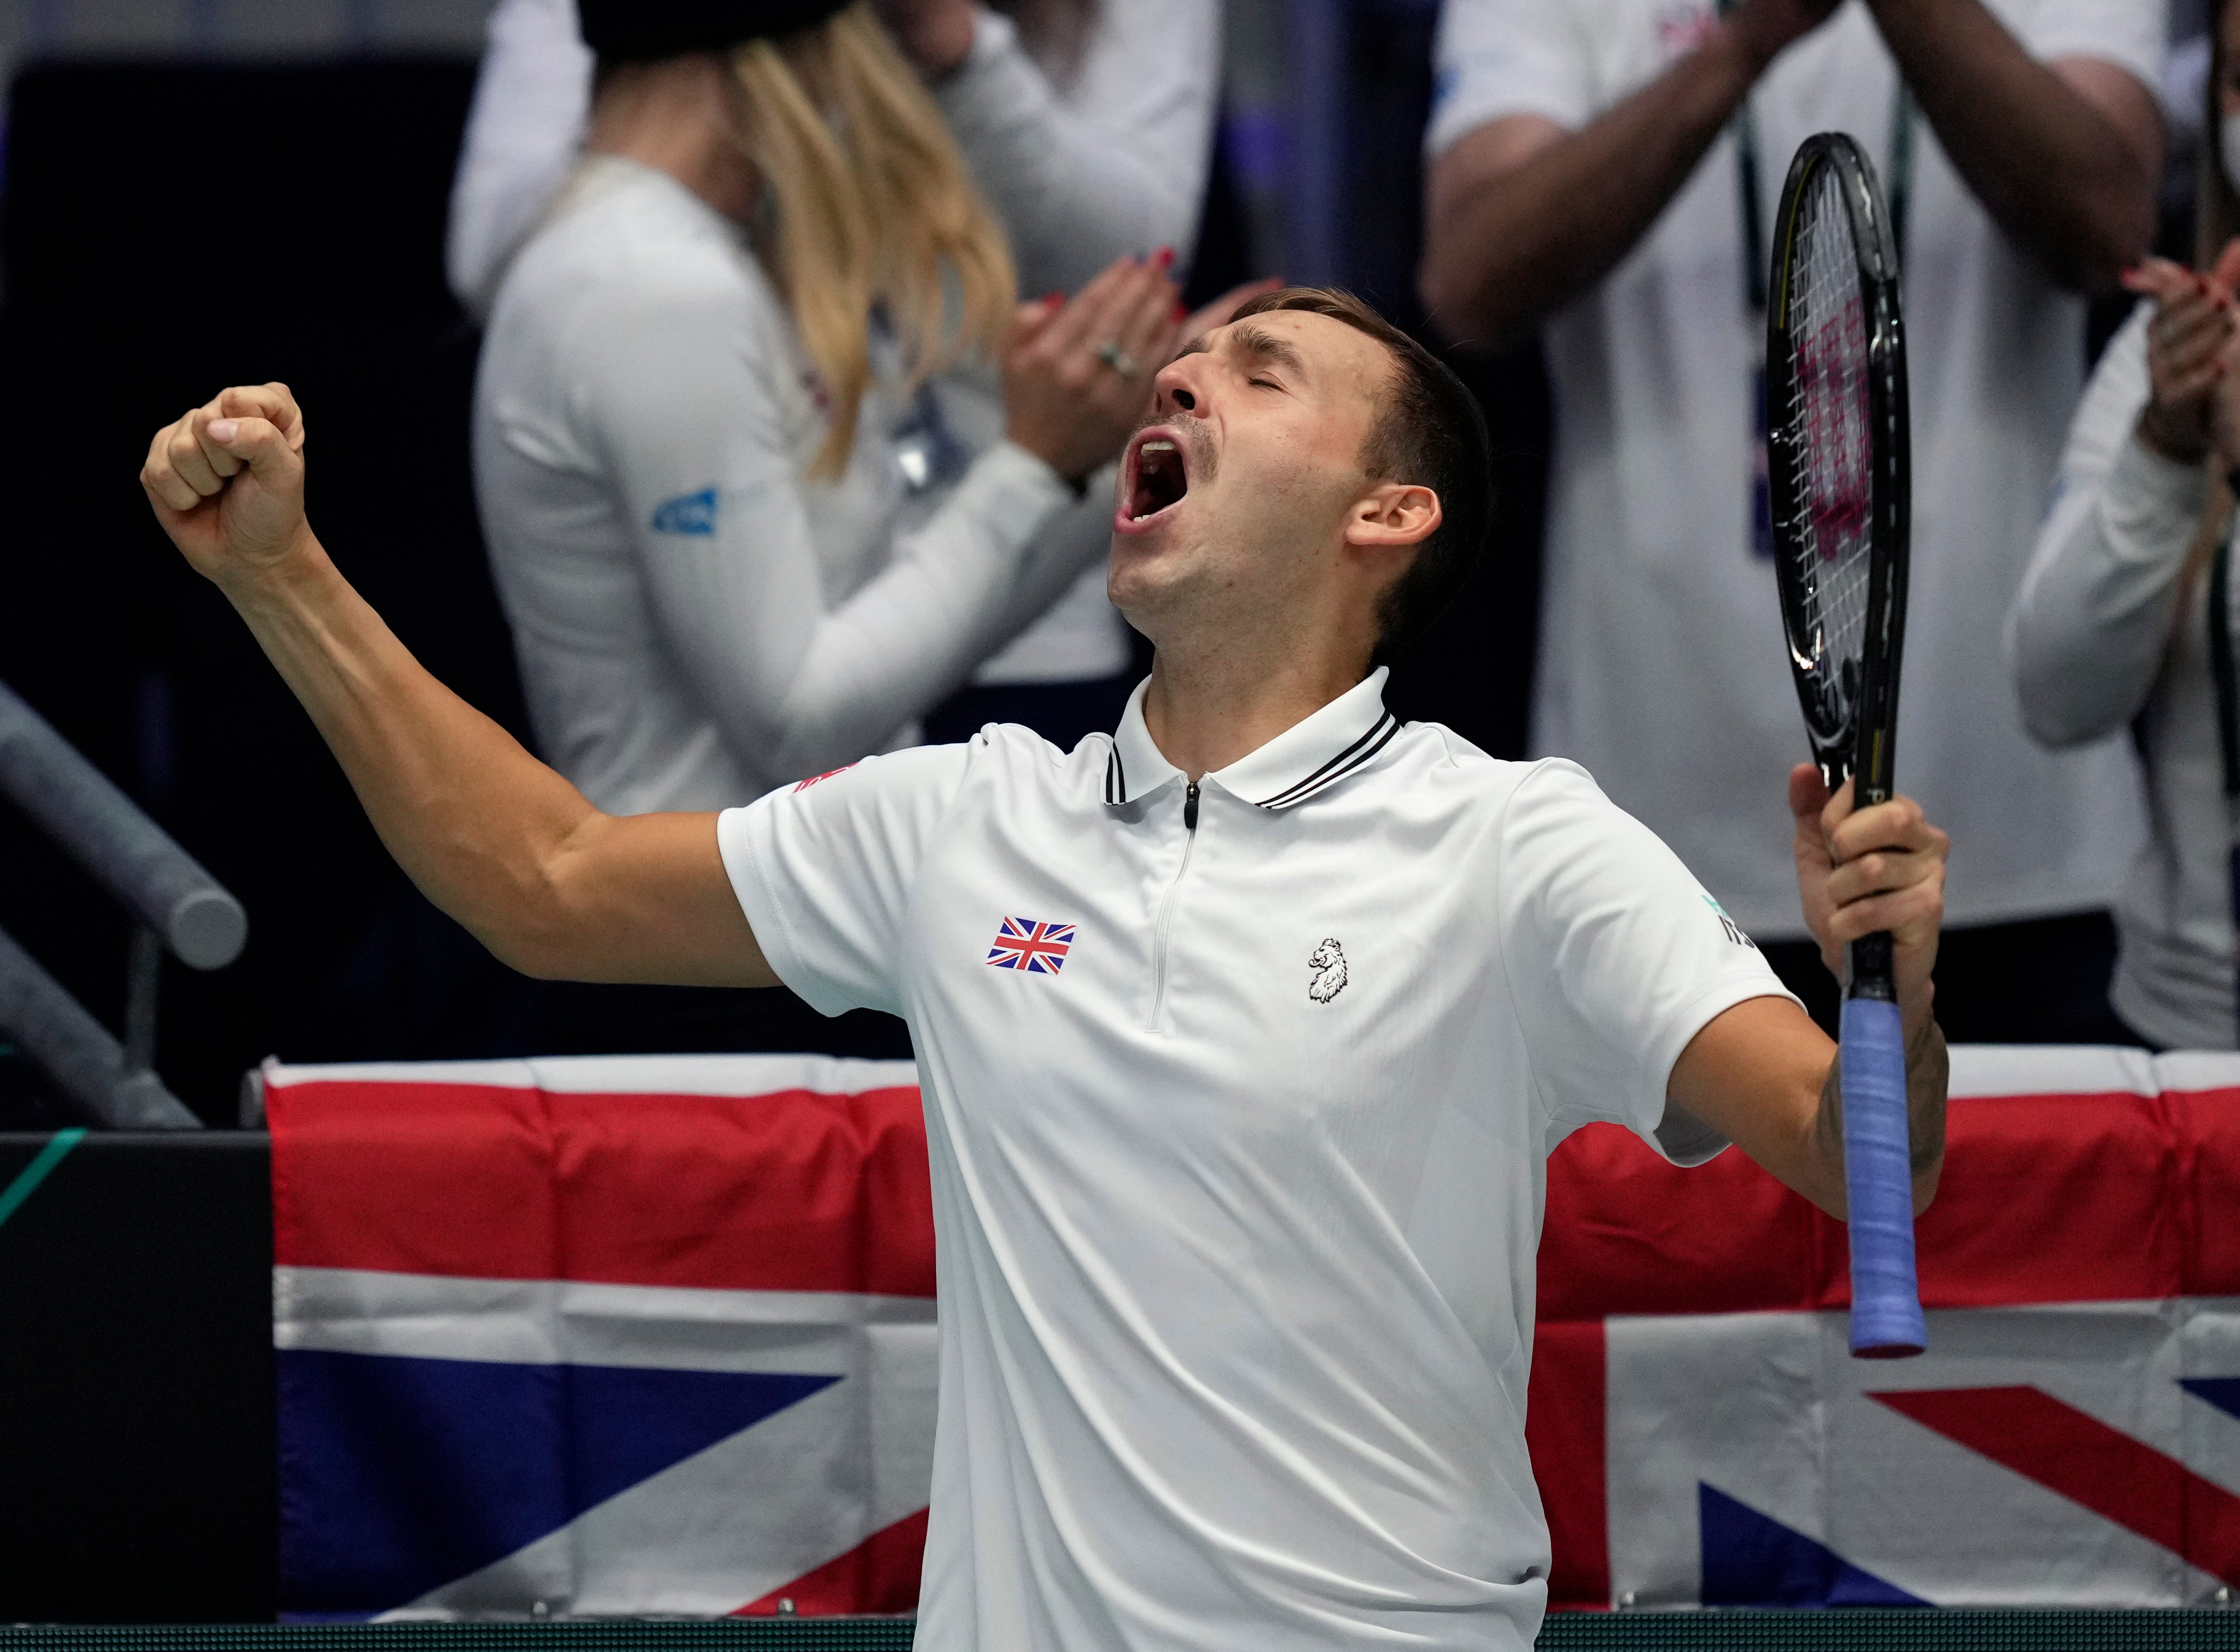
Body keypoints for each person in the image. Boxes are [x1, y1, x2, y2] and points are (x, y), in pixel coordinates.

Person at [143, 285, 1950, 1647]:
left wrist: (1890, 982)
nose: (1178, 375)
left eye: (1260, 373)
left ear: (1385, 517)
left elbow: (1848, 1149)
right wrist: (284, 578)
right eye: (1186, 362)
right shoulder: (961, 821)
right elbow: (544, 879)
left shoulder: (1520, 840)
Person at [1419, 0, 2163, 1040]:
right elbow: (1470, 275)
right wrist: (1744, 46)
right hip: (1652, 842)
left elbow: (2110, 222)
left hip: (2012, 831)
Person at [450, 0, 1232, 751]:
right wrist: (1033, 470)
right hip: (710, 881)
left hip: (772, 871)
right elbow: (798, 724)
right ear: (796, 51)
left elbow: (878, 661)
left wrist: (1099, 449)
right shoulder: (655, 285)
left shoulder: (667, 258)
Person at [2009, 2, 2240, 1051]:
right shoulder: (2167, 345)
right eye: (2239, 81)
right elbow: (2058, 696)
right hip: (2187, 1030)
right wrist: (2166, 449)